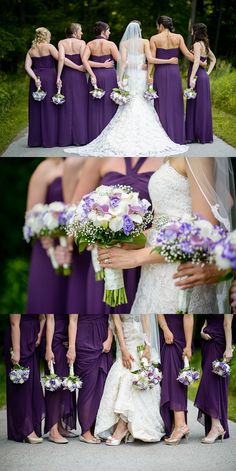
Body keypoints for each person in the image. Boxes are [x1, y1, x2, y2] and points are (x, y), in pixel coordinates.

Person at [98, 157, 234, 314]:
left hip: (177, 273)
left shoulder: (195, 156)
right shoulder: (169, 155)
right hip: (153, 273)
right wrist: (127, 241)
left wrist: (136, 257)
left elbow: (205, 232)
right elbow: (161, 225)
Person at [64, 20, 188, 157]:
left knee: (129, 103)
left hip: (130, 76)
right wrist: (149, 71)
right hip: (140, 76)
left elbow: (122, 63)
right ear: (140, 30)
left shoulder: (124, 44)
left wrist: (120, 79)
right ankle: (145, 135)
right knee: (143, 102)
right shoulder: (146, 42)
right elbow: (150, 60)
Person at [95, 314, 165, 444]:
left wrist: (148, 346)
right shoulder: (117, 294)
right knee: (124, 374)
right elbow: (116, 321)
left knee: (135, 377)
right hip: (124, 341)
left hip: (139, 341)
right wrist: (123, 348)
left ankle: (122, 427)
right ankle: (121, 426)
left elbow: (146, 320)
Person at [149, 16, 207, 144]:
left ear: (161, 25)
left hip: (161, 73)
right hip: (174, 72)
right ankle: (176, 136)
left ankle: (162, 136)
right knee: (176, 103)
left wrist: (149, 75)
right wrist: (201, 62)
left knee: (161, 103)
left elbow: (151, 60)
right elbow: (187, 54)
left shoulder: (154, 39)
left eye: (157, 25)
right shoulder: (179, 37)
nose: (156, 28)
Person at [26, 158, 68, 315]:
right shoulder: (46, 168)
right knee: (47, 302)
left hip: (78, 248)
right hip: (48, 250)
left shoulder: (89, 164)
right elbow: (31, 215)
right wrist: (42, 232)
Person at [66, 313, 113, 444]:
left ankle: (97, 428)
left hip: (103, 340)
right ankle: (85, 430)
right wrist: (72, 348)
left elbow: (112, 319)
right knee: (88, 389)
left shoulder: (106, 294)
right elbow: (73, 321)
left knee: (101, 387)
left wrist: (109, 339)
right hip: (84, 341)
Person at [4, 314, 45, 443]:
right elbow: (14, 323)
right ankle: (25, 429)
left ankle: (30, 426)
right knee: (22, 387)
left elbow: (43, 317)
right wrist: (16, 351)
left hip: (32, 341)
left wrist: (39, 334)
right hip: (19, 340)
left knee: (32, 385)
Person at [194, 315, 234, 442]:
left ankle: (217, 425)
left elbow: (227, 323)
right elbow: (206, 320)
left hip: (219, 342)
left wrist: (228, 348)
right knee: (211, 384)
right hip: (207, 342)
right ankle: (215, 425)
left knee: (210, 384)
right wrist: (202, 330)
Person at [158, 314, 193, 444]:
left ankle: (181, 425)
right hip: (166, 335)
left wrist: (188, 345)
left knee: (175, 382)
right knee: (168, 381)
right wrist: (165, 328)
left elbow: (188, 316)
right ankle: (175, 424)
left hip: (178, 338)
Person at [82, 21, 119, 142]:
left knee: (95, 105)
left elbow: (84, 60)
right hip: (109, 75)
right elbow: (120, 60)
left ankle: (94, 134)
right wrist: (105, 65)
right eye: (108, 30)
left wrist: (96, 69)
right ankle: (110, 136)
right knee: (109, 103)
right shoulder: (111, 44)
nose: (109, 32)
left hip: (95, 76)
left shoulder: (90, 44)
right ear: (103, 31)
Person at [44, 314, 77, 444]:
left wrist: (72, 344)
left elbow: (73, 320)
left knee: (63, 386)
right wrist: (48, 348)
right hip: (54, 341)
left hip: (66, 340)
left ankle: (59, 426)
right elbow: (50, 319)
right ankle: (53, 430)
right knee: (54, 385)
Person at [57, 23, 88, 146]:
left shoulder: (61, 43)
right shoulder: (81, 43)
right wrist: (81, 69)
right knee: (80, 105)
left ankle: (65, 139)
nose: (82, 33)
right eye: (80, 30)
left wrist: (58, 76)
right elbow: (83, 59)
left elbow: (61, 59)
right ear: (75, 32)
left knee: (67, 106)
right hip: (78, 76)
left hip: (66, 75)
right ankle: (80, 139)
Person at [185, 23, 216, 143]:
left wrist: (192, 78)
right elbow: (213, 59)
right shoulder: (205, 45)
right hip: (204, 77)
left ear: (196, 31)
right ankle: (202, 135)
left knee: (194, 105)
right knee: (202, 105)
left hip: (197, 76)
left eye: (193, 30)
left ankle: (192, 135)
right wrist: (207, 73)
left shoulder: (197, 44)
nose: (191, 32)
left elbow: (196, 62)